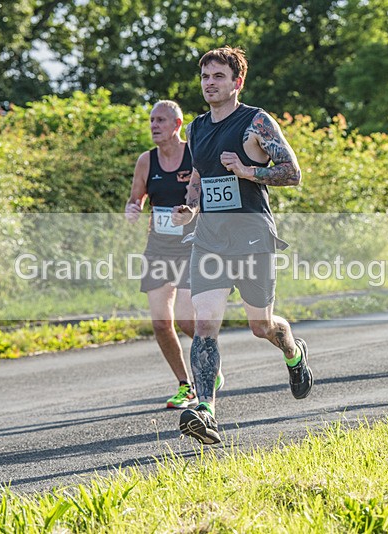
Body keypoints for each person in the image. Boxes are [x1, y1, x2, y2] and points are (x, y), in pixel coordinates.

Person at [171, 46, 313, 445]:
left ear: (238, 82)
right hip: (210, 239)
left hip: (251, 236)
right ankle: (205, 410)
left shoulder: (256, 122)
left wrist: (248, 171)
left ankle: (294, 353)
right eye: (205, 77)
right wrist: (191, 207)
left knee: (260, 326)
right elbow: (198, 175)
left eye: (218, 76)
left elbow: (292, 173)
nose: (209, 84)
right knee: (205, 322)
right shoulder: (197, 128)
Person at [125, 100, 222, 410]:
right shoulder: (146, 161)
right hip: (158, 247)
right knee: (160, 323)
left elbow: (210, 194)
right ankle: (186, 385)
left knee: (185, 318)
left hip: (192, 244)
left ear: (177, 125)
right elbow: (136, 198)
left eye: (161, 120)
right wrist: (132, 209)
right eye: (152, 120)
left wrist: (193, 213)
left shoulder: (194, 154)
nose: (154, 125)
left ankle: (209, 363)